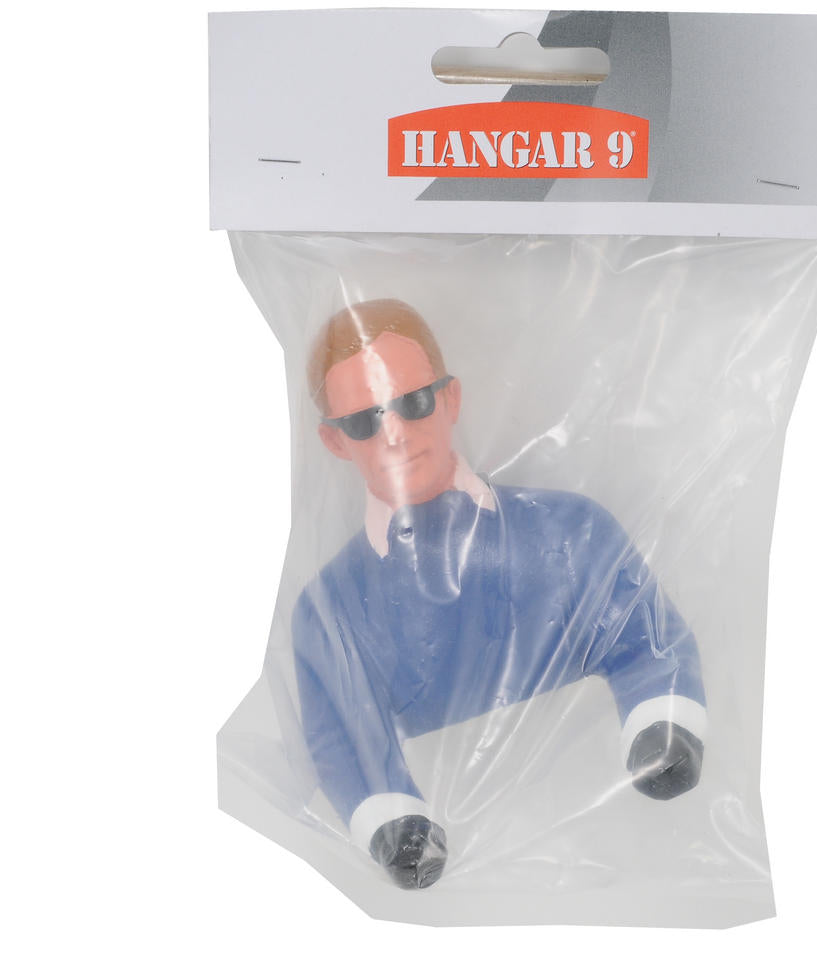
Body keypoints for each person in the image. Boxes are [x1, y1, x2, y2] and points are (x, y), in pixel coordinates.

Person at [294, 299, 707, 889]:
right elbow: (341, 739)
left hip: (634, 848)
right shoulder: (330, 612)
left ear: (450, 399)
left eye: (414, 403)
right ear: (335, 442)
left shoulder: (572, 532)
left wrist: (662, 726)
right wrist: (393, 825)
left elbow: (647, 639)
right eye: (365, 421)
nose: (396, 434)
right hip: (455, 891)